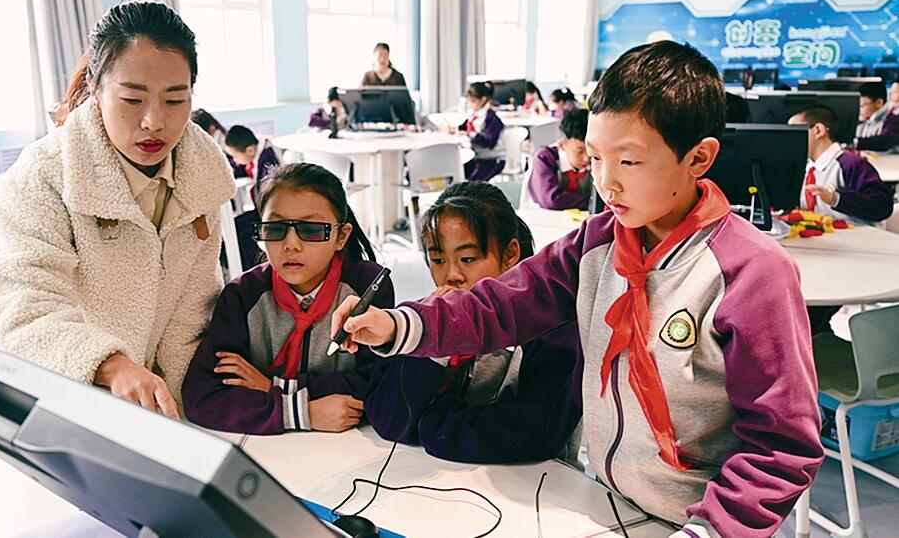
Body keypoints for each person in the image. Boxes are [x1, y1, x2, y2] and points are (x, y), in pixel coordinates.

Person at [332, 41, 823, 538]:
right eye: (595, 158)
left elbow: (780, 445)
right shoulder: (597, 243)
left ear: (699, 158)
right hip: (608, 501)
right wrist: (397, 324)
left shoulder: (751, 271)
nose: (606, 183)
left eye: (629, 162)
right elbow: (499, 305)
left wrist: (710, 530)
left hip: (704, 523)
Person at [0, 0, 236, 417]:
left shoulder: (202, 178)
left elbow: (191, 318)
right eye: (132, 99)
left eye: (175, 101)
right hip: (59, 404)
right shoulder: (46, 175)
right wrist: (110, 366)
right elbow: (21, 310)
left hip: (150, 413)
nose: (154, 122)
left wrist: (194, 410)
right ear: (96, 90)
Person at [365, 181, 582, 463]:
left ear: (510, 254)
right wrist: (435, 347)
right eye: (437, 260)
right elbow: (389, 417)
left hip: (534, 482)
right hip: (440, 478)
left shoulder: (551, 328)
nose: (451, 275)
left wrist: (428, 424)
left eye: (468, 259)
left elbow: (529, 434)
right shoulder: (420, 322)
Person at [182, 163, 392, 434]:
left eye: (312, 229)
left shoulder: (367, 287)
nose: (291, 244)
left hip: (350, 446)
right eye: (275, 229)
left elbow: (379, 382)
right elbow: (202, 397)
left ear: (341, 236)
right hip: (265, 448)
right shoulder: (242, 296)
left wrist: (273, 386)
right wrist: (301, 412)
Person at [789, 105, 893, 226]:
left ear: (818, 130)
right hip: (823, 235)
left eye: (794, 132)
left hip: (858, 235)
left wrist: (836, 199)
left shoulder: (850, 164)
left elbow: (882, 206)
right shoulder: (806, 169)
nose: (789, 139)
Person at [528, 109, 591, 210]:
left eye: (590, 150)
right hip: (542, 216)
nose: (587, 158)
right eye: (579, 151)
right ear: (561, 145)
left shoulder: (597, 159)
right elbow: (552, 201)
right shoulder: (544, 158)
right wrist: (591, 203)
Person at [458, 81, 505, 182]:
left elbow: (490, 142)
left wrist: (470, 135)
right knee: (458, 173)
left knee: (473, 184)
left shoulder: (492, 118)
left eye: (473, 101)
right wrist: (454, 129)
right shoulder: (473, 116)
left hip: (492, 159)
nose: (470, 105)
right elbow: (463, 127)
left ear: (483, 100)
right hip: (477, 157)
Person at [855, 81, 899, 152]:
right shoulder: (865, 120)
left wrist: (855, 142)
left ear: (879, 102)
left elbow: (884, 140)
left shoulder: (894, 120)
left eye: (862, 106)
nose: (859, 110)